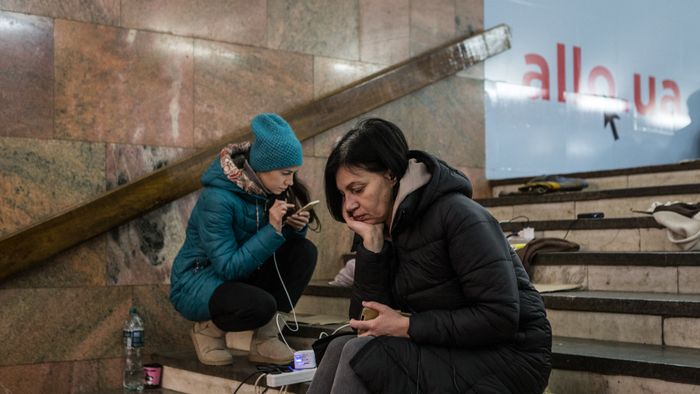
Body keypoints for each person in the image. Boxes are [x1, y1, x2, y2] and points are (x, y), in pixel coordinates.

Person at [308, 118, 551, 393]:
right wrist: (373, 248)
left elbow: (500, 318)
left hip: (510, 356)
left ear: (390, 175)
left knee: (359, 354)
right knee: (340, 347)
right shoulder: (384, 228)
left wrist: (407, 326)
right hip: (448, 347)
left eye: (357, 189)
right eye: (343, 195)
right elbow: (365, 325)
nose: (349, 206)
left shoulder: (459, 215)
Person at [169, 113, 318, 366]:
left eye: (293, 173)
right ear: (262, 167)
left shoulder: (268, 190)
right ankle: (207, 330)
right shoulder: (217, 200)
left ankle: (266, 338)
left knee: (302, 251)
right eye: (285, 173)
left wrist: (291, 228)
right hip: (198, 281)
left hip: (241, 275)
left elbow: (265, 252)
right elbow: (227, 266)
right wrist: (272, 230)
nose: (290, 181)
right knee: (260, 305)